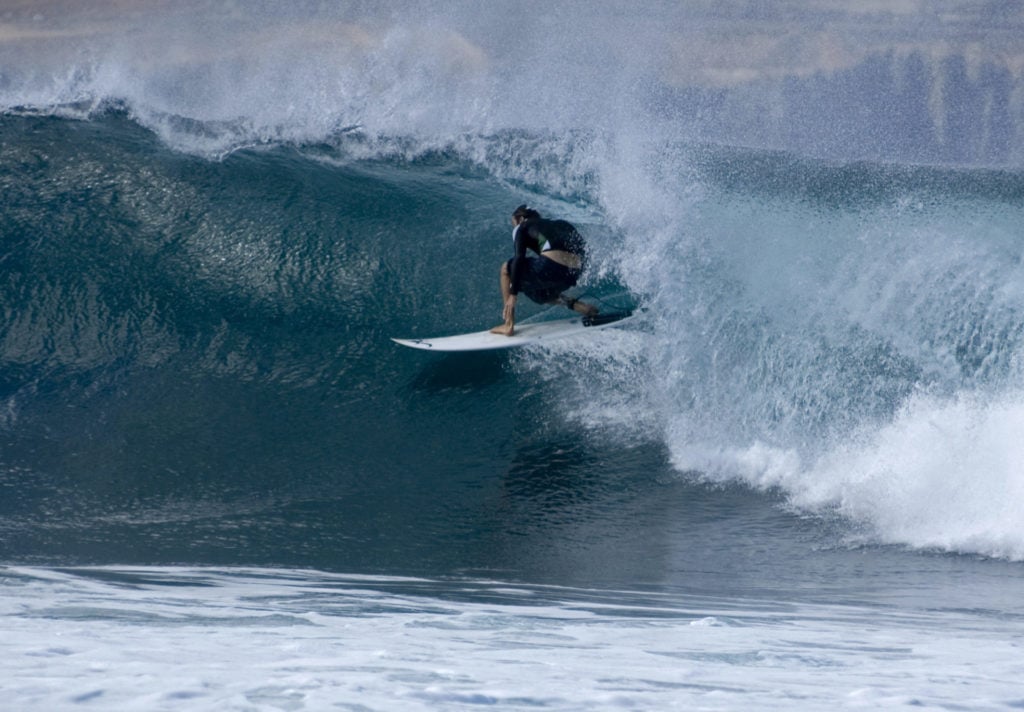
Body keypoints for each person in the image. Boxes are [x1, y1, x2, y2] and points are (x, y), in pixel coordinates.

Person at [490, 204, 598, 336]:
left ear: (521, 218)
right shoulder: (561, 224)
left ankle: (508, 324)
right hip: (573, 273)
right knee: (539, 294)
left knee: (506, 269)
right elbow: (584, 250)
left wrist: (513, 294)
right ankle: (582, 307)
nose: (514, 226)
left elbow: (519, 258)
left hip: (552, 267)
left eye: (514, 223)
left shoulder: (522, 227)